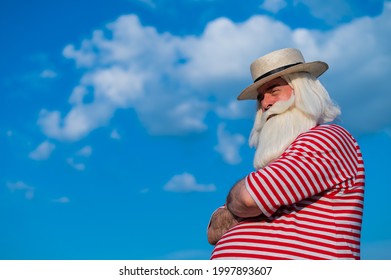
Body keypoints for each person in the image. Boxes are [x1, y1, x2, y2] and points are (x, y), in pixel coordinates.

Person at [207, 48, 365, 260]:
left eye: (274, 91)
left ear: (303, 91)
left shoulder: (328, 137)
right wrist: (254, 197)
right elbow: (214, 231)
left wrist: (245, 203)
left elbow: (246, 199)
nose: (265, 103)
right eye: (261, 98)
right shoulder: (283, 163)